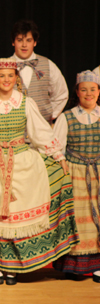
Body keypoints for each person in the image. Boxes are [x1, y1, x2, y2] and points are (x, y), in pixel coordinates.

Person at [0, 57, 78, 285]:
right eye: (1, 75)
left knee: (16, 217)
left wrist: (58, 156)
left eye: (10, 75)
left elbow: (40, 132)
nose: (6, 79)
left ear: (16, 78)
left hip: (21, 162)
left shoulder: (25, 103)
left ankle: (15, 266)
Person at [52, 70, 100, 283]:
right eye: (84, 90)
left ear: (98, 91)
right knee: (78, 221)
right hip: (75, 173)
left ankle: (98, 266)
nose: (88, 94)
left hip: (98, 172)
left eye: (93, 89)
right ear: (77, 92)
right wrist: (62, 163)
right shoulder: (67, 117)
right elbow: (56, 146)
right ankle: (74, 266)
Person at [0, 20, 68, 124]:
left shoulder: (48, 65)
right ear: (13, 42)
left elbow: (61, 94)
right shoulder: (3, 67)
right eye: (20, 40)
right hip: (11, 131)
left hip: (41, 130)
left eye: (28, 40)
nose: (24, 45)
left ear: (35, 42)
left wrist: (49, 115)